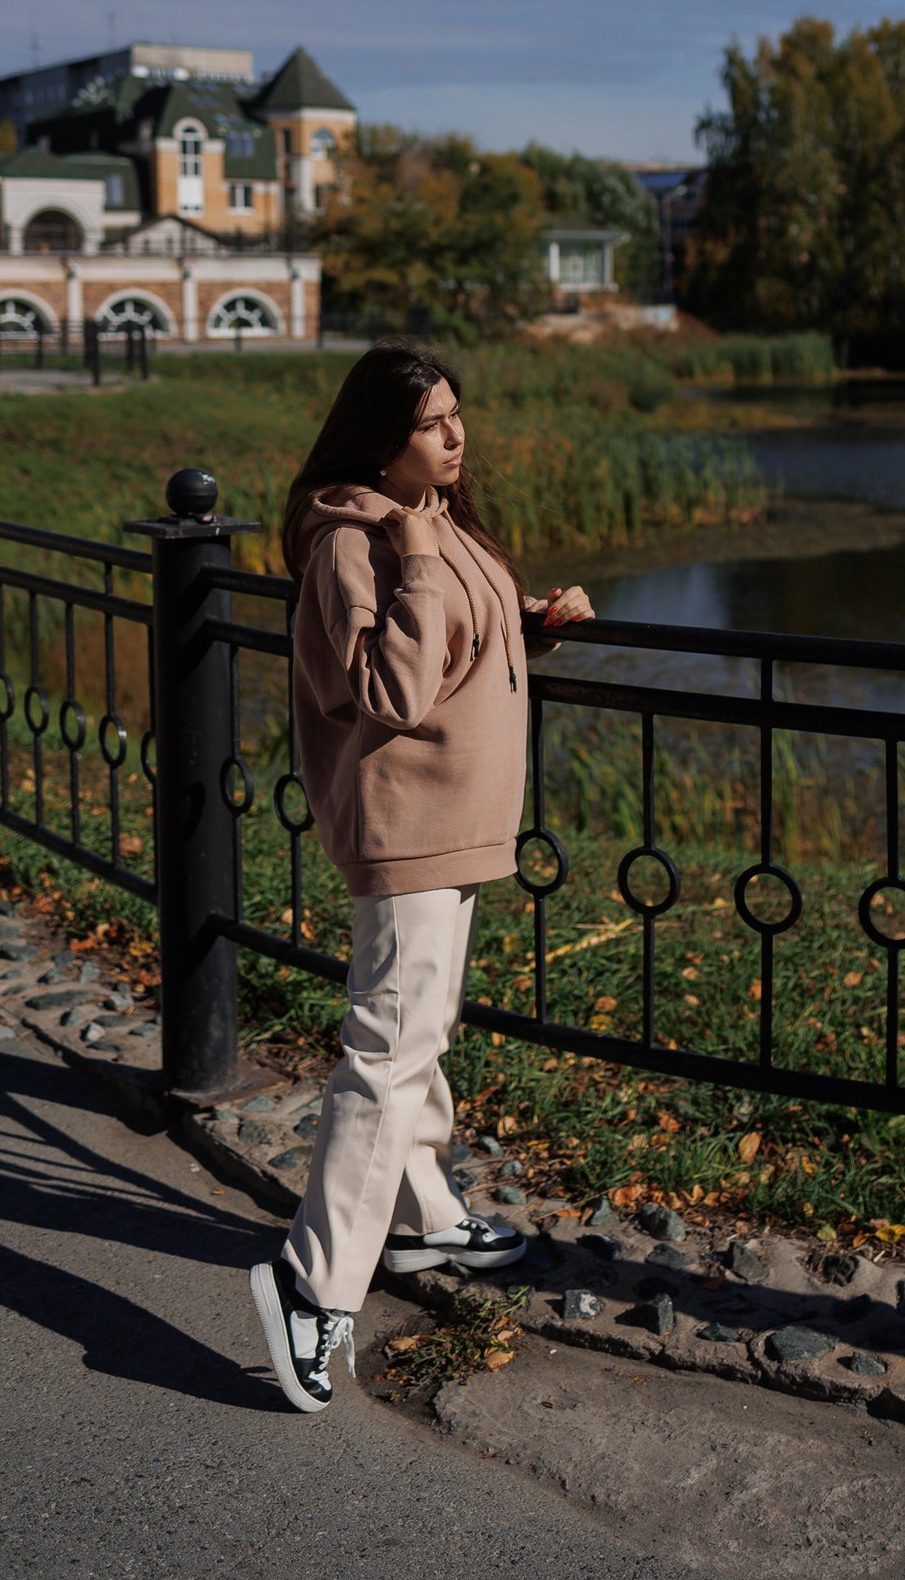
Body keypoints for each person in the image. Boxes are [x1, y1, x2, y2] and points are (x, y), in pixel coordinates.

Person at [250, 337, 595, 1411]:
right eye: (432, 423)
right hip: (407, 823)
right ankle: (312, 1286)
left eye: (458, 414)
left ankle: (423, 1222)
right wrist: (422, 555)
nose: (457, 435)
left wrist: (527, 628)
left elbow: (443, 649)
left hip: (454, 821)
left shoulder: (428, 524)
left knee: (420, 1028)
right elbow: (385, 694)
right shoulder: (355, 544)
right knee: (387, 1051)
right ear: (380, 440)